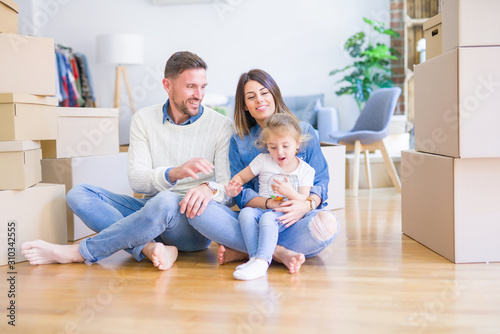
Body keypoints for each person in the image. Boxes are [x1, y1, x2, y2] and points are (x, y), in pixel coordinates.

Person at [20, 51, 235, 270]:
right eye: (191, 86)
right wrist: (173, 173)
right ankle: (150, 248)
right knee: (79, 194)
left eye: (203, 86)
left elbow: (229, 191)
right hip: (149, 211)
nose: (199, 94)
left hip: (190, 227)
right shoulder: (143, 119)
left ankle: (79, 252)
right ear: (167, 85)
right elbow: (137, 181)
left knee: (165, 200)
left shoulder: (221, 126)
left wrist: (209, 188)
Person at [188, 69, 340, 275]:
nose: (259, 100)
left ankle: (248, 251)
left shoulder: (303, 132)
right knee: (198, 210)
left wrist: (304, 205)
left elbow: (320, 182)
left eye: (264, 92)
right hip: (256, 217)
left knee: (328, 223)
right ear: (245, 105)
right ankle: (277, 253)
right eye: (251, 97)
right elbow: (241, 195)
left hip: (293, 220)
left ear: (274, 94)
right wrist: (269, 204)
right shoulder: (239, 141)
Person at [226, 113, 316, 280]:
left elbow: (304, 199)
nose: (279, 152)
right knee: (246, 213)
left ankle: (262, 261)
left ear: (297, 144)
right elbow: (241, 177)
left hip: (285, 213)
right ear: (266, 145)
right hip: (264, 208)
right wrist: (234, 185)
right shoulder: (263, 160)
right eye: (273, 147)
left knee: (268, 219)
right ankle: (254, 258)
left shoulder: (306, 170)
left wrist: (290, 193)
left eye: (285, 146)